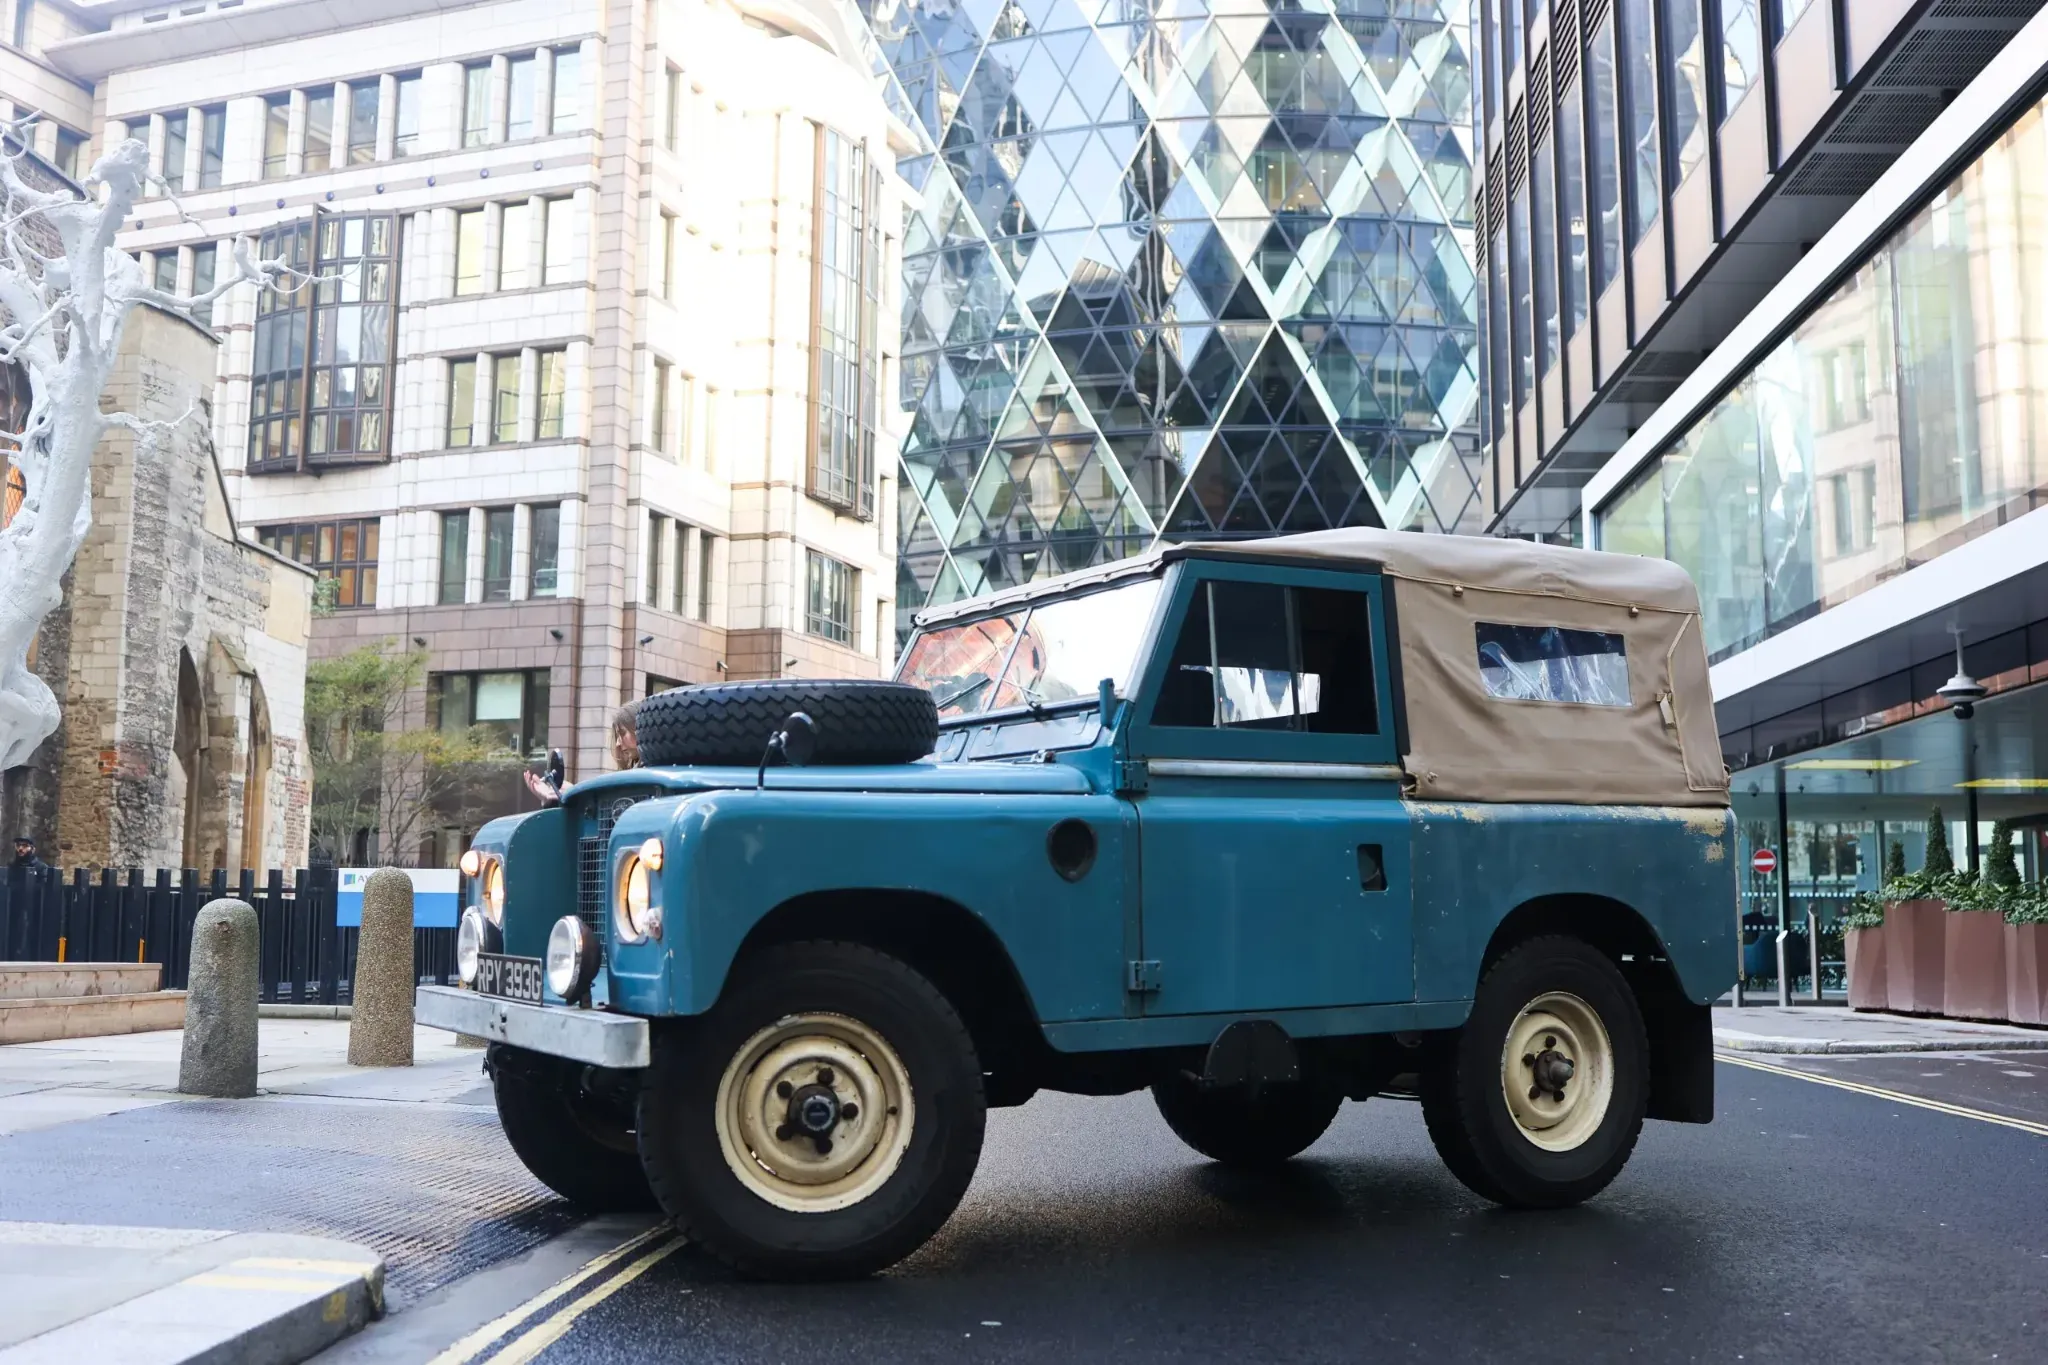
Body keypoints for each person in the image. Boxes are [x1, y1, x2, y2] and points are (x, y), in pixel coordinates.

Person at [520, 702, 643, 806]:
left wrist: (573, 792)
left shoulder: (647, 777)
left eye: (622, 733)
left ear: (640, 729)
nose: (617, 743)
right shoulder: (634, 773)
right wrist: (568, 793)